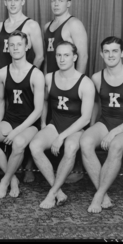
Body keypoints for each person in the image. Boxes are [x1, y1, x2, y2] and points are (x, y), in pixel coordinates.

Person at [80, 36, 123, 213]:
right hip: (105, 123)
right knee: (85, 142)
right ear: (101, 54)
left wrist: (113, 133)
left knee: (115, 145)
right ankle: (104, 194)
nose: (111, 55)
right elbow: (95, 104)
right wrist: (91, 127)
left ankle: (99, 195)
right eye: (106, 51)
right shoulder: (96, 78)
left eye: (115, 51)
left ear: (122, 53)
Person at [29, 41, 95, 209]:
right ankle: (57, 191)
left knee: (71, 147)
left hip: (76, 126)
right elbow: (43, 102)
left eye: (66, 55)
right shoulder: (49, 78)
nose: (62, 59)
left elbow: (86, 118)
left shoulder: (85, 83)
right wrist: (43, 123)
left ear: (74, 57)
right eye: (58, 55)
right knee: (35, 146)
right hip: (55, 124)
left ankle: (51, 195)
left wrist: (61, 137)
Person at [0, 30, 44, 200]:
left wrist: (17, 131)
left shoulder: (36, 75)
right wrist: (0, 124)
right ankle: (13, 178)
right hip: (10, 119)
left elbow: (38, 110)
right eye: (12, 45)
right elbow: (0, 101)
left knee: (18, 142)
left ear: (27, 46)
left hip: (30, 123)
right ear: (7, 48)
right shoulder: (2, 73)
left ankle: (4, 182)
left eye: (19, 44)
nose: (15, 48)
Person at [0, 0, 44, 183]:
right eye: (10, 0)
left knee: (29, 122)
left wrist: (28, 77)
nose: (13, 4)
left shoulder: (31, 26)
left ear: (23, 1)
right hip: (5, 79)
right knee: (5, 122)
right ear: (5, 2)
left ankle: (28, 166)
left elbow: (39, 55)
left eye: (17, 0)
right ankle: (11, 167)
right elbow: (0, 56)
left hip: (25, 82)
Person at [43, 0, 89, 184]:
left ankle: (77, 167)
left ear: (68, 3)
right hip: (54, 82)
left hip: (71, 84)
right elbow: (47, 57)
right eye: (53, 0)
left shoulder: (74, 24)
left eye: (60, 0)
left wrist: (77, 83)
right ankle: (59, 166)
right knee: (54, 120)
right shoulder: (47, 26)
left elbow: (83, 54)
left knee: (74, 122)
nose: (56, 4)